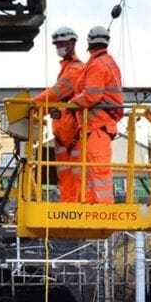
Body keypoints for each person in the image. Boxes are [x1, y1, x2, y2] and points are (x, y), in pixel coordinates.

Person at [66, 25, 123, 204]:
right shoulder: (107, 62)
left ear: (89, 44)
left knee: (98, 170)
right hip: (97, 127)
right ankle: (91, 205)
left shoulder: (98, 65)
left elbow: (92, 95)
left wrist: (72, 104)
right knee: (91, 170)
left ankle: (102, 208)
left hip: (98, 126)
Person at [34, 26, 85, 202]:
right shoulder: (67, 68)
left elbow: (58, 91)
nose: (59, 47)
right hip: (63, 133)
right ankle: (68, 206)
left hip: (73, 133)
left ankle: (76, 207)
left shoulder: (76, 69)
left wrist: (34, 106)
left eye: (62, 43)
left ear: (72, 43)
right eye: (57, 44)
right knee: (65, 176)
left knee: (76, 175)